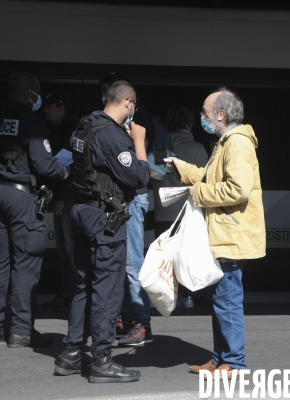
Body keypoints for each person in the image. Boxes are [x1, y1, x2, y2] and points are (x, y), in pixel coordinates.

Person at [165, 88, 266, 380]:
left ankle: (234, 363)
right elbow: (211, 177)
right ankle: (221, 358)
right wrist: (182, 169)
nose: (202, 118)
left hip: (232, 236)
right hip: (224, 234)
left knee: (228, 300)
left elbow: (238, 188)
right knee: (221, 300)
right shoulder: (226, 142)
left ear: (221, 115)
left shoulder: (237, 144)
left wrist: (196, 193)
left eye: (205, 113)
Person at [54, 80, 150, 383]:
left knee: (84, 285)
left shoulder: (85, 126)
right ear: (129, 104)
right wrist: (138, 142)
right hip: (105, 219)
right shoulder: (113, 136)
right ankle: (103, 360)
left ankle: (71, 353)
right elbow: (138, 176)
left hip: (81, 212)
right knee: (108, 291)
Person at [0, 72, 70, 348]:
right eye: (36, 95)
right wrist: (66, 171)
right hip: (21, 196)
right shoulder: (33, 122)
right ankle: (20, 331)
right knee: (26, 263)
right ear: (29, 94)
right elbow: (44, 165)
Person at [100, 72, 169, 345]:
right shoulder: (119, 121)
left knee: (132, 264)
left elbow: (139, 169)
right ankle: (127, 319)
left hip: (134, 196)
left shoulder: (137, 121)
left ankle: (142, 323)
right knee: (121, 263)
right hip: (124, 197)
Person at [154, 106, 208, 308]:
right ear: (188, 125)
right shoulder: (197, 149)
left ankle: (166, 296)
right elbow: (205, 181)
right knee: (187, 257)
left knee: (165, 257)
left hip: (163, 213)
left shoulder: (159, 149)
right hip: (188, 214)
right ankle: (187, 296)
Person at [40, 92, 79, 311]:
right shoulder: (60, 131)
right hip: (63, 197)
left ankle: (72, 295)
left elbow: (70, 169)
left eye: (49, 107)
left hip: (68, 198)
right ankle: (69, 293)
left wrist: (62, 197)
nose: (45, 111)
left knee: (68, 248)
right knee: (64, 248)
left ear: (61, 107)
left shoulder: (71, 132)